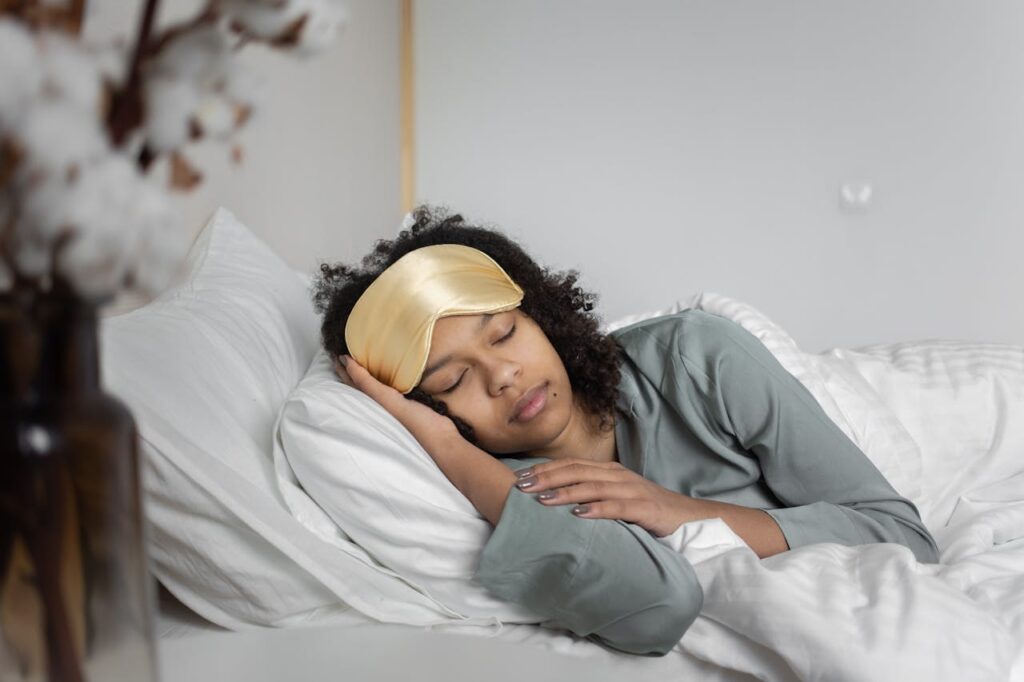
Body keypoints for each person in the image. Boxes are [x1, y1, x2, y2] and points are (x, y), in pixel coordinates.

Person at [312, 205, 940, 657]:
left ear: (544, 316)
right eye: (452, 384)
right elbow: (656, 606)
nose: (503, 375)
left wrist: (679, 512)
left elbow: (901, 533)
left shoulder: (696, 356)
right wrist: (445, 446)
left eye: (505, 334)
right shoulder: (500, 482)